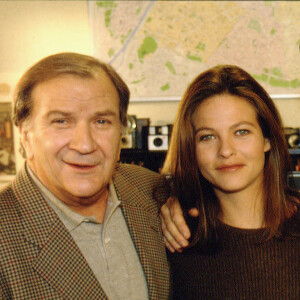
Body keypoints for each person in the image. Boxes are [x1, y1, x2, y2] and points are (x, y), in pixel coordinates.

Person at [0, 53, 170, 299]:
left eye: (101, 121)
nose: (84, 144)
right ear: (25, 134)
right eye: (61, 121)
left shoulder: (151, 190)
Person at [160, 65, 300, 299]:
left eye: (241, 132)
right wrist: (170, 197)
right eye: (207, 137)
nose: (225, 151)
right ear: (191, 149)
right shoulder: (177, 239)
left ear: (267, 140)